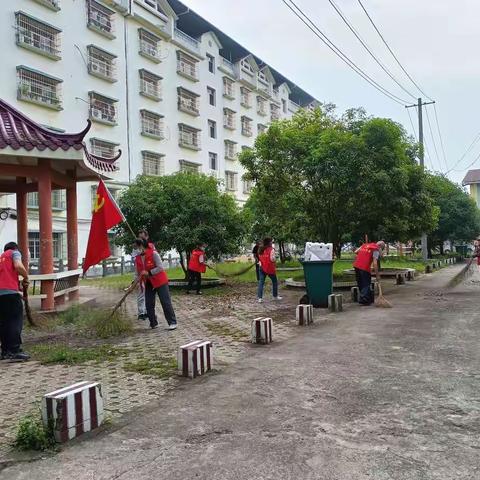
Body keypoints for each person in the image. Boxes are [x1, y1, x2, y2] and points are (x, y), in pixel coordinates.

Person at [134, 238, 177, 330]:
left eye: (137, 247)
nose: (137, 249)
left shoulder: (153, 253)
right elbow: (137, 273)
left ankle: (172, 322)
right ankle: (153, 323)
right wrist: (135, 281)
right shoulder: (137, 258)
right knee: (148, 303)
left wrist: (149, 273)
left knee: (165, 302)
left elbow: (160, 267)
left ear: (142, 246)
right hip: (148, 282)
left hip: (160, 281)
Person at [0, 242, 30, 361]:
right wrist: (26, 276)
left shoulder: (1, 258)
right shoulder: (14, 253)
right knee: (14, 321)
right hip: (11, 295)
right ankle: (14, 350)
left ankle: (5, 351)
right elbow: (18, 266)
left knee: (3, 323)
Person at [132, 229, 155, 321]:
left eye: (143, 237)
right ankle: (141, 312)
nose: (141, 239)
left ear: (147, 237)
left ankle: (148, 311)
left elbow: (153, 256)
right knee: (141, 293)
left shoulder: (151, 246)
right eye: (140, 237)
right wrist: (138, 249)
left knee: (149, 294)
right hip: (139, 272)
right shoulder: (136, 248)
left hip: (149, 273)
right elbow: (134, 258)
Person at [353, 240, 385, 306]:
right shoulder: (376, 250)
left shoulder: (365, 245)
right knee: (366, 283)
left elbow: (356, 252)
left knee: (361, 282)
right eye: (382, 249)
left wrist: (365, 254)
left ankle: (367, 299)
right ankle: (364, 300)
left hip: (356, 265)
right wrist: (377, 275)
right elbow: (375, 263)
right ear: (380, 247)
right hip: (364, 267)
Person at [257, 237, 282, 303]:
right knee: (274, 281)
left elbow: (259, 258)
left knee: (261, 283)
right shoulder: (271, 249)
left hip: (262, 267)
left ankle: (260, 298)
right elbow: (272, 259)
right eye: (271, 241)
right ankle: (275, 296)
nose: (272, 243)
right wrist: (275, 258)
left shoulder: (260, 249)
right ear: (269, 242)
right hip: (269, 268)